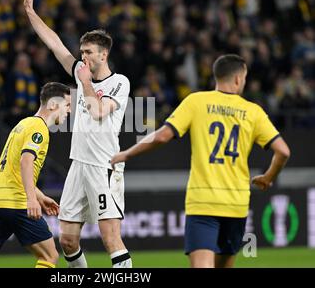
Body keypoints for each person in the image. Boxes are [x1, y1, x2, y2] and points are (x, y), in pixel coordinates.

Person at [111, 54, 291, 268]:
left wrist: (126, 154)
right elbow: (283, 151)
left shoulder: (196, 101)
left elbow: (161, 136)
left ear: (217, 76)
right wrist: (268, 178)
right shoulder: (253, 112)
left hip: (202, 201)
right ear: (237, 79)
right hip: (236, 204)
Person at [24, 0, 132, 268]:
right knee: (68, 240)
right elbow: (55, 43)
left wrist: (84, 83)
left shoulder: (118, 83)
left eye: (88, 53)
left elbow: (98, 111)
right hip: (78, 165)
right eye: (81, 52)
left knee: (111, 238)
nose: (82, 57)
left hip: (103, 166)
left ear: (103, 55)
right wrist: (30, 12)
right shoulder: (81, 74)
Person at [0, 82, 71, 268]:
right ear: (52, 105)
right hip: (16, 202)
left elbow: (14, 170)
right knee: (49, 256)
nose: (68, 111)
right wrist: (31, 199)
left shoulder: (22, 124)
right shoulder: (39, 128)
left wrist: (40, 197)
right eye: (67, 105)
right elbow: (26, 162)